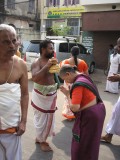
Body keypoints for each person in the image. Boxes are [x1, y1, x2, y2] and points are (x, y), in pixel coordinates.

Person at [59, 64, 106, 160]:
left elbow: (75, 108)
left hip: (90, 117)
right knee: (92, 144)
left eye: (65, 79)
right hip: (98, 111)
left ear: (68, 74)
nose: (67, 82)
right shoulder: (84, 77)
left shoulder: (78, 84)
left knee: (82, 145)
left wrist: (68, 95)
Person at [0, 24, 29, 160]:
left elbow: (25, 94)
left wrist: (23, 121)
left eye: (14, 40)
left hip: (13, 127)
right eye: (6, 42)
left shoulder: (21, 65)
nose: (12, 45)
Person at [31, 39, 59, 152]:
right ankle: (42, 141)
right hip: (40, 96)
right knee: (41, 119)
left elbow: (55, 76)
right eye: (50, 48)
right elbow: (35, 78)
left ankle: (40, 138)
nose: (53, 50)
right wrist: (47, 66)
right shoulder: (36, 62)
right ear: (43, 50)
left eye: (52, 48)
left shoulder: (52, 61)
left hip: (51, 94)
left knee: (48, 119)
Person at [59, 46, 88, 120]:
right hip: (78, 83)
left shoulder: (65, 62)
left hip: (68, 83)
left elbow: (61, 72)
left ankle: (70, 115)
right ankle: (76, 113)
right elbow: (86, 75)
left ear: (71, 53)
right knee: (77, 99)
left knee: (68, 97)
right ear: (78, 53)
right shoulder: (83, 63)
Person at [101, 40, 120, 143]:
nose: (117, 48)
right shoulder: (114, 55)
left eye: (119, 46)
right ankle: (109, 135)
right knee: (117, 111)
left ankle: (109, 135)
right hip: (112, 70)